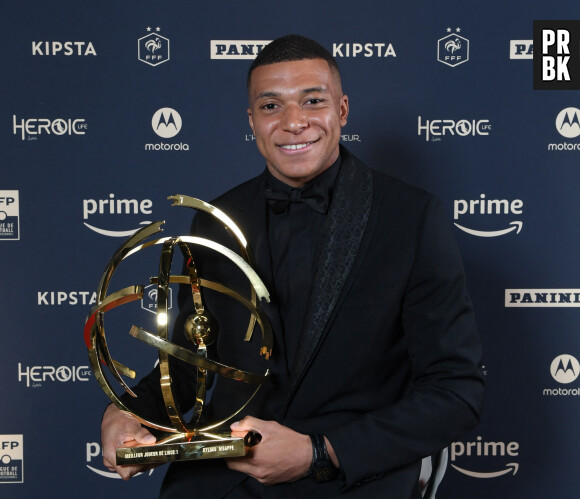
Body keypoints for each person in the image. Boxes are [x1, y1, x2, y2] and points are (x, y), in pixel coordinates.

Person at [101, 34, 485, 498]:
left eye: (312, 101)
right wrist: (131, 412)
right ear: (252, 120)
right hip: (225, 476)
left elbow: (456, 392)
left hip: (350, 477)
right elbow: (192, 366)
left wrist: (318, 452)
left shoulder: (411, 217)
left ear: (341, 110)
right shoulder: (214, 220)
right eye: (271, 106)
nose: (293, 122)